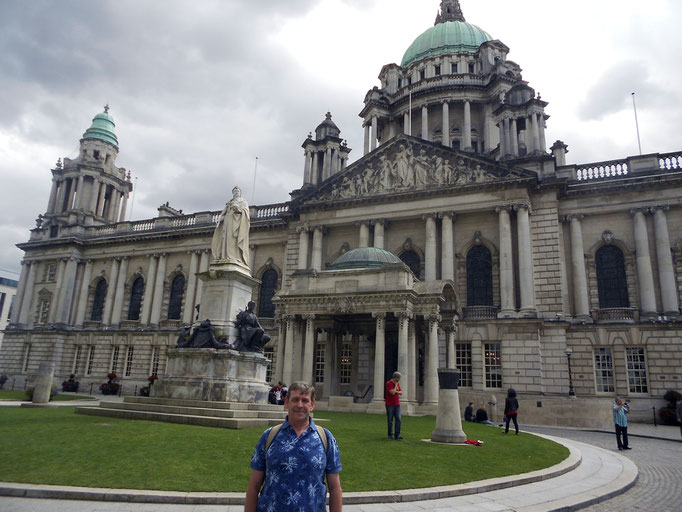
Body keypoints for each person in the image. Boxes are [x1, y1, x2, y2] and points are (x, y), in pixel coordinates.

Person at [245, 381, 342, 512]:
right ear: (286, 402)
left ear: (312, 405)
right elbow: (254, 486)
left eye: (305, 400)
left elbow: (335, 488)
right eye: (295, 399)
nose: (300, 405)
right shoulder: (269, 436)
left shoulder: (325, 438)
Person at [211, 186, 250, 267]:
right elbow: (223, 213)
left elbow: (246, 213)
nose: (236, 192)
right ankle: (225, 256)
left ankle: (234, 257)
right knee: (226, 239)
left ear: (240, 193)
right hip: (227, 223)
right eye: (235, 191)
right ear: (233, 193)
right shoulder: (229, 203)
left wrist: (237, 210)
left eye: (238, 191)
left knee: (233, 240)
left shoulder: (243, 202)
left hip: (236, 224)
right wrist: (221, 218)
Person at [385, 371, 403, 440]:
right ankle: (390, 434)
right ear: (395, 377)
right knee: (390, 420)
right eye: (398, 378)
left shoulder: (397, 384)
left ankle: (397, 435)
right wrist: (395, 386)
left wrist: (396, 391)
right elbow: (392, 393)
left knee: (398, 419)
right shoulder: (389, 383)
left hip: (397, 404)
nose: (399, 380)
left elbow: (401, 392)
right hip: (390, 404)